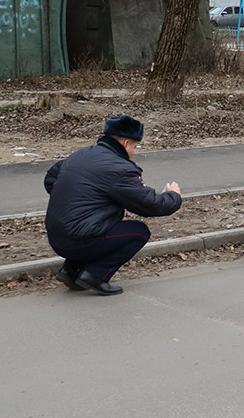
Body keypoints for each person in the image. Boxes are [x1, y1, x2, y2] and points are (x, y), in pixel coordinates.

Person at [44, 115, 182, 295]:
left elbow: (50, 180)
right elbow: (150, 205)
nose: (134, 152)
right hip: (77, 241)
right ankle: (95, 275)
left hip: (56, 236)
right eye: (134, 146)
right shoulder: (120, 169)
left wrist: (71, 199)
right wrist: (173, 196)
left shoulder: (80, 154)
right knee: (138, 232)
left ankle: (70, 271)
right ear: (125, 144)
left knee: (95, 224)